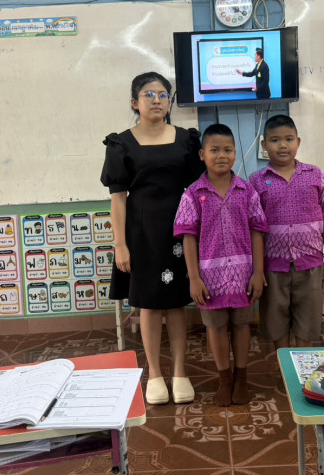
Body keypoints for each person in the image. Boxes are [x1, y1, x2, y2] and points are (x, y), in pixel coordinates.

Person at [100, 72, 205, 405]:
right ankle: (155, 375)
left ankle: (180, 372)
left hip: (180, 229)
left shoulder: (187, 140)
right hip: (141, 232)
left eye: (162, 94)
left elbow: (199, 189)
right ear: (135, 102)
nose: (156, 100)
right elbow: (118, 198)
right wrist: (120, 244)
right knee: (147, 304)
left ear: (169, 102)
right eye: (148, 94)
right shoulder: (120, 144)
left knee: (175, 304)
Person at [174, 123, 268, 406]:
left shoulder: (247, 191)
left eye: (227, 150)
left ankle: (242, 378)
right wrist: (194, 278)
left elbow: (257, 231)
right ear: (202, 155)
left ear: (235, 154)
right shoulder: (193, 194)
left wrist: (258, 272)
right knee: (215, 327)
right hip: (209, 279)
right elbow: (188, 237)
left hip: (243, 276)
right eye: (214, 150)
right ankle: (224, 379)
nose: (221, 155)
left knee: (241, 325)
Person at [248, 115, 324, 353]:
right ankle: (284, 361)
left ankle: (303, 361)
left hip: (310, 264)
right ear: (264, 145)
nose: (283, 145)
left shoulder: (315, 175)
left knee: (307, 320)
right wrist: (257, 268)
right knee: (275, 319)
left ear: (298, 142)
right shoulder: (256, 181)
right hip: (273, 266)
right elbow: (254, 228)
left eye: (289, 139)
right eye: (275, 140)